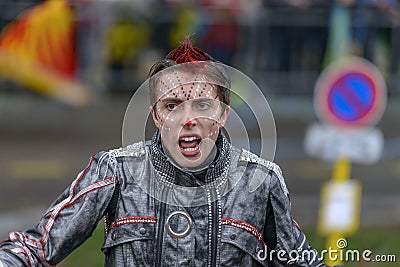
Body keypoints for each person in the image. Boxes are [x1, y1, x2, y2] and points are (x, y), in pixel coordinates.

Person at [0, 37, 335, 267]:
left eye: (202, 105)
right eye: (173, 105)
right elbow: (38, 247)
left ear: (222, 115)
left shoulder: (261, 180)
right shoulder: (116, 171)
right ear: (156, 115)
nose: (188, 119)